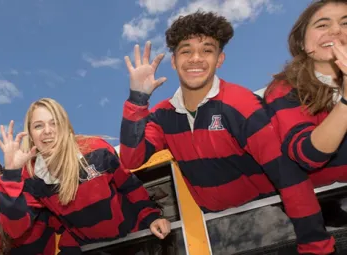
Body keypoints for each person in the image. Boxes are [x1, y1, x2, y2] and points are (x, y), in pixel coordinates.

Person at [119, 11, 335, 254]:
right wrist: (137, 99)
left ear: (220, 59)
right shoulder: (163, 114)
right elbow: (131, 159)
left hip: (270, 219)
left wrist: (316, 246)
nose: (195, 59)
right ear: (173, 60)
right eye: (186, 51)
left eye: (207, 50)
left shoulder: (240, 104)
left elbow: (288, 175)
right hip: (217, 232)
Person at [0, 100, 171, 254]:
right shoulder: (32, 176)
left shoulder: (96, 150)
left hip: (135, 238)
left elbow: (129, 186)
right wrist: (11, 174)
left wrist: (151, 217)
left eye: (54, 123)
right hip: (90, 248)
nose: (47, 131)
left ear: (65, 126)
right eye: (38, 126)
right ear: (31, 135)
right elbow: (15, 230)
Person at [263, 0, 347, 227]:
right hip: (318, 205)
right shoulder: (285, 87)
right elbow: (308, 155)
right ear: (301, 42)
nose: (337, 30)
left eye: (345, 23)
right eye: (322, 25)